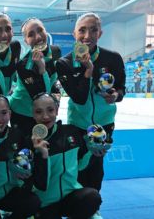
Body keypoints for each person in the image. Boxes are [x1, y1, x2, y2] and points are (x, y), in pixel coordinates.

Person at [55, 12, 125, 217]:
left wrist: (116, 95)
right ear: (74, 33)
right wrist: (88, 70)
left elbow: (121, 88)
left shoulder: (113, 58)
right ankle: (74, 207)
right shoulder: (65, 63)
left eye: (93, 29)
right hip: (78, 125)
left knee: (96, 166)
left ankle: (92, 209)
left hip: (105, 123)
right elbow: (79, 98)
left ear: (100, 33)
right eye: (82, 30)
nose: (87, 35)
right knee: (76, 169)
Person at [30, 93, 102, 219]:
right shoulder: (28, 141)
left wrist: (92, 151)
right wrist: (42, 155)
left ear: (57, 110)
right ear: (33, 114)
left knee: (92, 197)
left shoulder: (71, 131)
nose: (45, 116)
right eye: (39, 112)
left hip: (71, 197)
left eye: (50, 110)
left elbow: (79, 167)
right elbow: (39, 184)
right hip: (45, 203)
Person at [9, 17, 61, 135]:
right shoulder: (23, 65)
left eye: (40, 30)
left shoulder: (56, 51)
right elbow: (41, 97)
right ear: (26, 41)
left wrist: (56, 93)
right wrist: (42, 69)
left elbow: (54, 81)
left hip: (44, 112)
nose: (38, 37)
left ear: (45, 31)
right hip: (22, 112)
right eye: (31, 34)